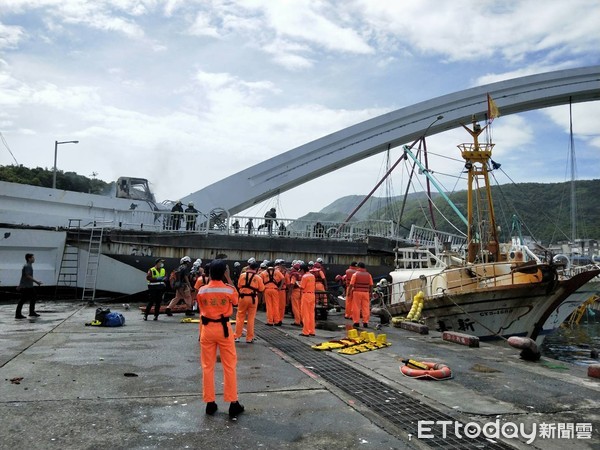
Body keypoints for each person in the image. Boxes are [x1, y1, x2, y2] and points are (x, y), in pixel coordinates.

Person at [196, 260, 244, 418]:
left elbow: (201, 308)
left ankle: (210, 403)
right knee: (229, 366)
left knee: (207, 366)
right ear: (224, 272)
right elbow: (236, 302)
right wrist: (229, 278)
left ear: (209, 273)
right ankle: (233, 403)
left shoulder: (202, 291)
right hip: (224, 329)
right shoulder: (229, 290)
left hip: (207, 330)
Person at [234, 261, 265, 343]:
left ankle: (237, 336)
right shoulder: (258, 277)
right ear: (256, 269)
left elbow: (239, 286)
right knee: (251, 318)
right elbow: (261, 289)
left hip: (243, 297)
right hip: (253, 298)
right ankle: (249, 338)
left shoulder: (242, 275)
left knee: (240, 316)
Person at [15, 253, 42, 319]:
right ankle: (18, 314)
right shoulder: (27, 266)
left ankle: (31, 312)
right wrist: (36, 282)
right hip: (27, 287)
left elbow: (23, 276)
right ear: (29, 258)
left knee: (33, 297)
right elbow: (27, 276)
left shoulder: (28, 265)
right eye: (32, 257)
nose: (34, 259)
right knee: (23, 300)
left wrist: (20, 285)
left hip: (28, 286)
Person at [348, 262, 373, 328]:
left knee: (356, 307)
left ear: (358, 267)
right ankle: (365, 322)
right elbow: (371, 285)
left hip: (357, 292)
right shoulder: (369, 275)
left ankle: (356, 322)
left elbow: (351, 284)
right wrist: (371, 293)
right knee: (366, 307)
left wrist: (348, 292)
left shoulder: (355, 274)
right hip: (366, 293)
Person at [260, 261, 284, 326]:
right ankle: (277, 321)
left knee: (269, 306)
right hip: (275, 290)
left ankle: (270, 321)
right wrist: (280, 287)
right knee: (276, 305)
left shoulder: (263, 272)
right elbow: (283, 278)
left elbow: (260, 280)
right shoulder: (277, 272)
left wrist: (262, 288)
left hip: (267, 290)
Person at [298, 263, 316, 336]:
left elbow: (302, 287)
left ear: (303, 270)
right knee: (311, 314)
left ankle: (305, 331)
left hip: (306, 295)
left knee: (305, 314)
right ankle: (312, 331)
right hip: (312, 295)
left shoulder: (304, 277)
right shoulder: (312, 276)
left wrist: (298, 284)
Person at [288, 262, 303, 326]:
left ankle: (297, 321)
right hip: (301, 291)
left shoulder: (294, 275)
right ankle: (302, 320)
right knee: (300, 307)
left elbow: (292, 284)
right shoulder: (300, 274)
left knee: (295, 307)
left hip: (295, 292)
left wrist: (289, 293)